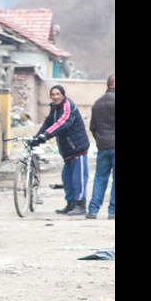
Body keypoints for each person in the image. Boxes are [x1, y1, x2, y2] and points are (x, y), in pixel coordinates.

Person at [33, 85, 90, 216]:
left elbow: (63, 123)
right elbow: (47, 123)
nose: (55, 96)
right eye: (53, 94)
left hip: (77, 149)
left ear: (63, 95)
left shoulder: (68, 106)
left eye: (58, 94)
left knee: (79, 179)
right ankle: (71, 204)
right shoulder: (54, 108)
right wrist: (37, 137)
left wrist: (46, 135)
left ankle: (81, 205)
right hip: (67, 151)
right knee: (67, 178)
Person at [86, 75, 115, 220]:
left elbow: (93, 127)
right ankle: (113, 212)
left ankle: (93, 211)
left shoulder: (97, 103)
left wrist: (100, 140)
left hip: (103, 146)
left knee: (100, 178)